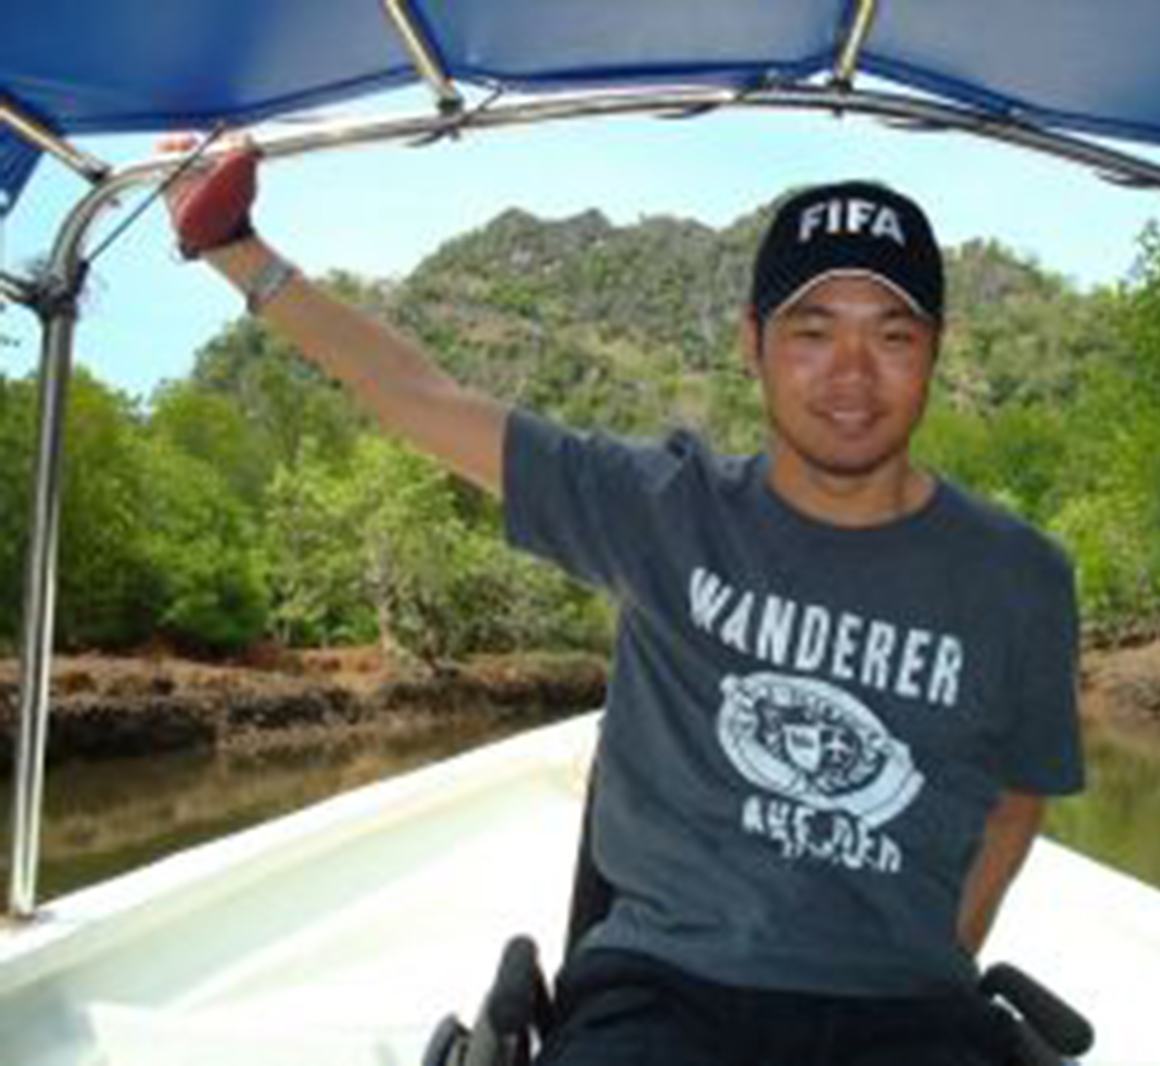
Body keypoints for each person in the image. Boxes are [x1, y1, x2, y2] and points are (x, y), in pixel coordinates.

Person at [163, 141, 1084, 1065]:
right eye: (811, 333)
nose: (851, 373)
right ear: (751, 342)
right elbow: (418, 395)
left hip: (906, 1011)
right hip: (661, 995)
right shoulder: (663, 511)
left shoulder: (1020, 577)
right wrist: (234, 246)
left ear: (934, 351)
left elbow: (1017, 795)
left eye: (891, 335)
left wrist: (935, 960)